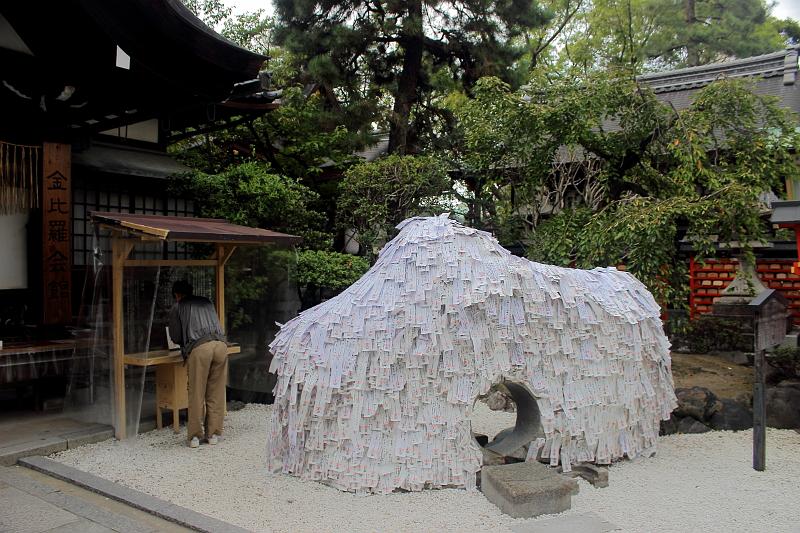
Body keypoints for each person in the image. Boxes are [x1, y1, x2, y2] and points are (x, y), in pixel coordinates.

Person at [168, 279, 227, 448]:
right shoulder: (207, 301)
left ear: (177, 295)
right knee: (216, 392)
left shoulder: (178, 306)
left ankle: (195, 437)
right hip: (221, 345)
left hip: (200, 348)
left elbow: (176, 336)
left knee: (196, 392)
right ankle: (214, 434)